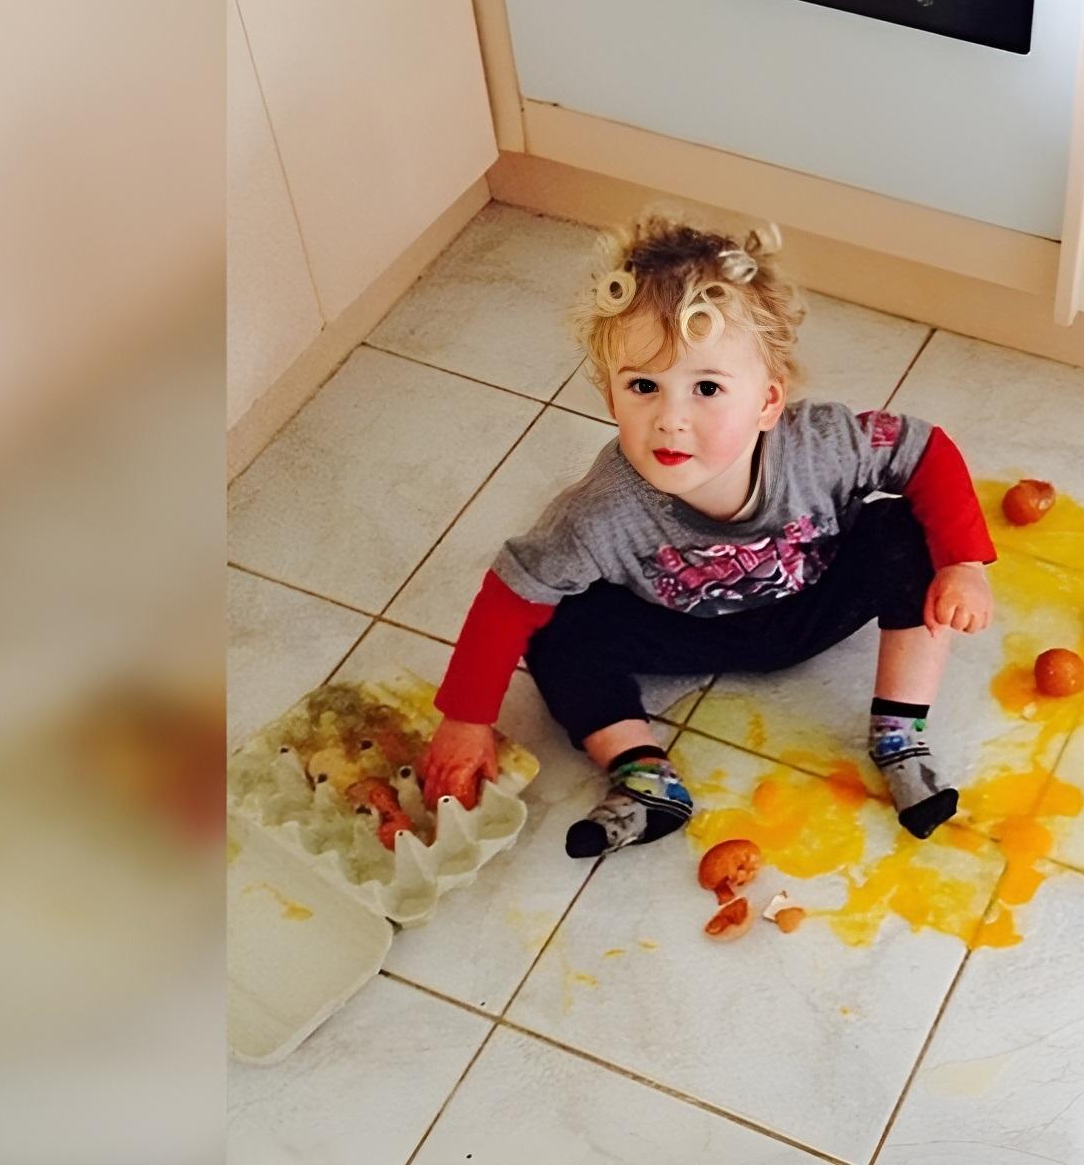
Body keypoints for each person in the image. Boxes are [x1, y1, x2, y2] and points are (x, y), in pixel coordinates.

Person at [419, 214, 996, 858]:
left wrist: (964, 564)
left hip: (810, 605)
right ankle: (644, 775)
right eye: (644, 386)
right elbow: (510, 596)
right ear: (611, 399)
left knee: (905, 536)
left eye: (707, 388)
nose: (671, 419)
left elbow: (925, 451)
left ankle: (899, 736)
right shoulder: (599, 512)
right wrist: (467, 718)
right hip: (682, 630)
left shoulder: (823, 447)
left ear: (768, 402)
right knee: (553, 627)